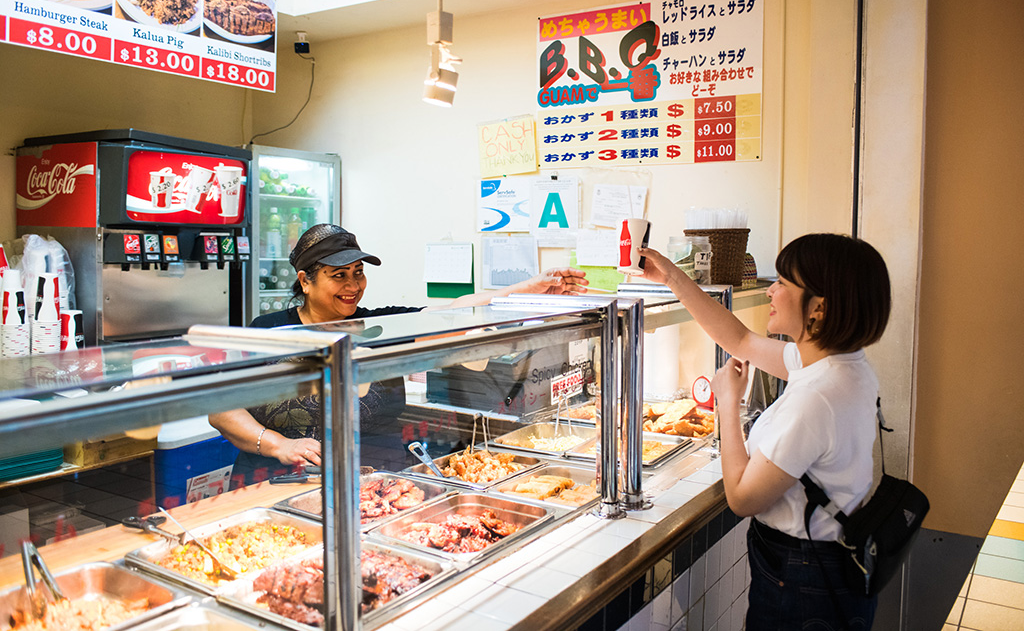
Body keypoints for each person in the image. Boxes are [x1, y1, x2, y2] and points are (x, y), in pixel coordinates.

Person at [640, 233, 890, 630]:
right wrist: (672, 276)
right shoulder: (840, 364)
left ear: (818, 308)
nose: (771, 291)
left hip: (805, 577)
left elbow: (742, 498)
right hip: (829, 562)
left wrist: (727, 405)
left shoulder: (818, 396)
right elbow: (738, 338)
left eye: (783, 283)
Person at [210, 223, 588, 482]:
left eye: (358, 273)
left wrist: (530, 287)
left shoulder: (381, 327)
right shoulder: (270, 332)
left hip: (378, 482)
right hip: (275, 483)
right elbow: (221, 407)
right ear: (305, 281)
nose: (353, 286)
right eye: (338, 275)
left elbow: (454, 310)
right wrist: (279, 444)